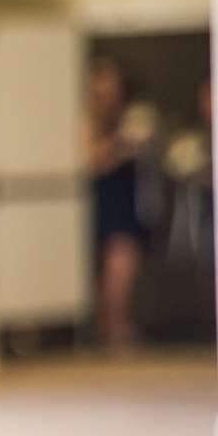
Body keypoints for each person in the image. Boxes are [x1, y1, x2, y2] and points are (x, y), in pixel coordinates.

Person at [86, 54, 147, 351]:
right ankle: (111, 330)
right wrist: (123, 143)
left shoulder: (126, 115)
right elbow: (91, 161)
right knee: (116, 266)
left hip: (127, 199)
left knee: (124, 265)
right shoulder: (88, 120)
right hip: (102, 201)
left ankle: (117, 326)